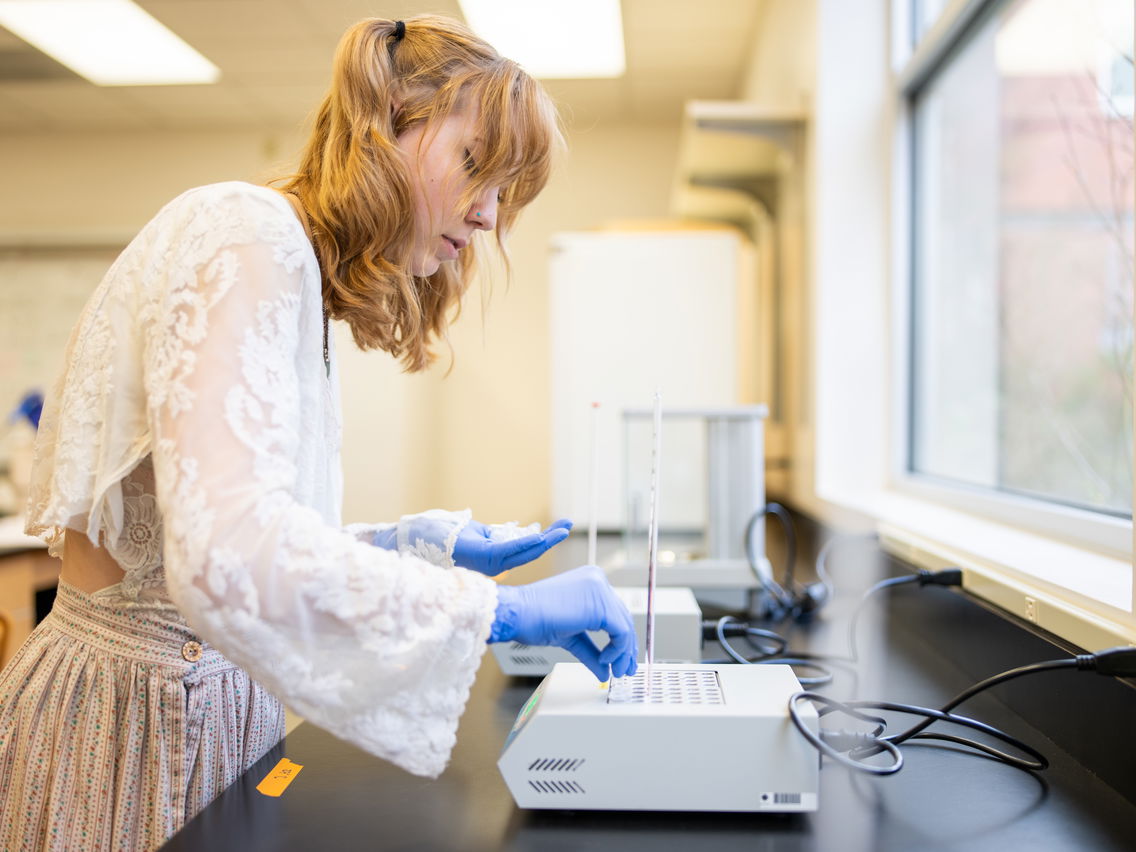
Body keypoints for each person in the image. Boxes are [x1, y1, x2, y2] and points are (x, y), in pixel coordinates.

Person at [0, 15, 637, 852]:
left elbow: (204, 535)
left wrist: (415, 549)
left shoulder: (294, 267)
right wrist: (498, 611)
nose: (487, 215)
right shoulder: (246, 232)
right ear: (388, 126)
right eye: (476, 164)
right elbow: (225, 558)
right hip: (131, 726)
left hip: (190, 703)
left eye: (506, 193)